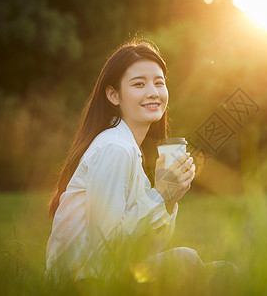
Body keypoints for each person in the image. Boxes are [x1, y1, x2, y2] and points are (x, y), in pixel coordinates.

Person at [45, 40, 202, 283]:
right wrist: (158, 195)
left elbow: (146, 249)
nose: (153, 92)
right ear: (113, 95)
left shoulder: (130, 149)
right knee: (187, 260)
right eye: (139, 84)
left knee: (222, 270)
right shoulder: (114, 148)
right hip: (81, 282)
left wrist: (169, 200)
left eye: (159, 83)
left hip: (105, 274)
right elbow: (107, 247)